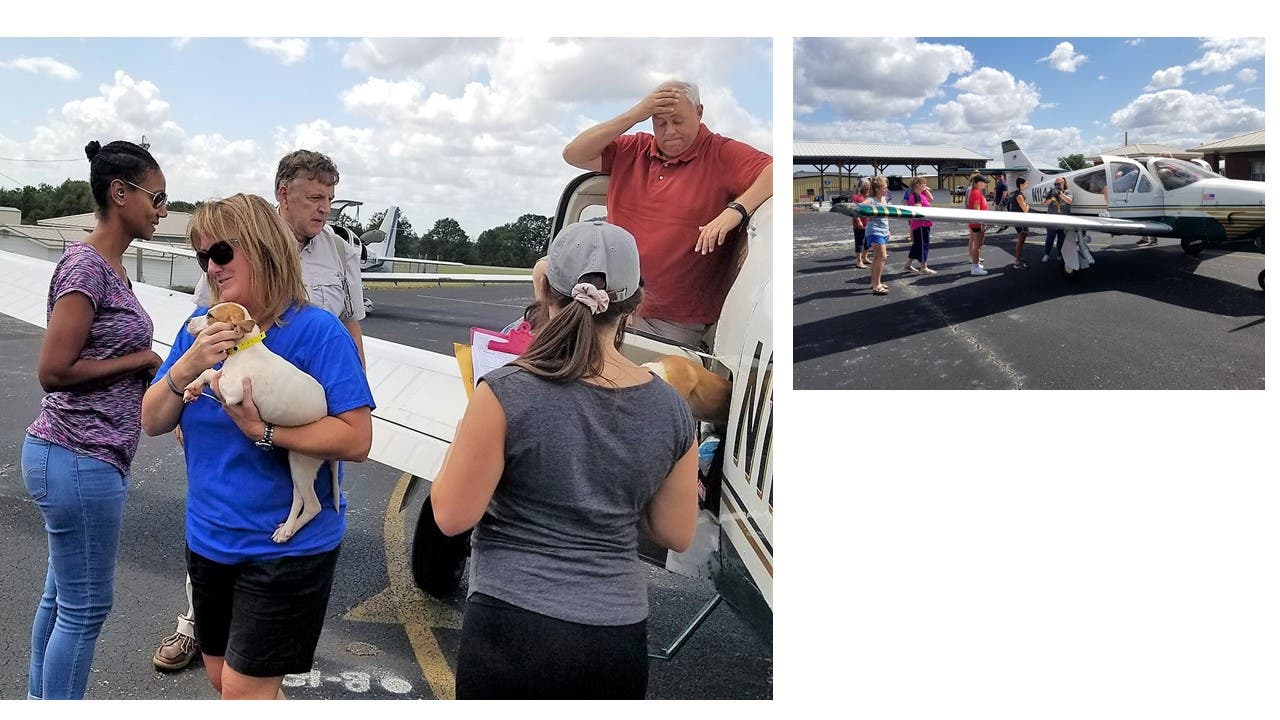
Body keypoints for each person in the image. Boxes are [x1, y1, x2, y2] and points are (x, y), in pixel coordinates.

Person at [430, 220, 697, 699]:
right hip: (615, 637)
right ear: (634, 305)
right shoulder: (672, 409)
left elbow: (451, 516)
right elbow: (675, 532)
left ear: (545, 293)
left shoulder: (507, 390)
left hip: (511, 625)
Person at [140, 194, 374, 700]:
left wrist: (266, 433)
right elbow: (152, 419)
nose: (211, 267)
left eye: (221, 252)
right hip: (209, 538)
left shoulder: (317, 331)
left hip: (285, 551)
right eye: (203, 257)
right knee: (222, 678)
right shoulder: (201, 329)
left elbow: (356, 438)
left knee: (242, 692)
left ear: (263, 247)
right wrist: (187, 365)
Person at [21, 139, 167, 699]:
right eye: (157, 197)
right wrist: (142, 360)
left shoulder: (110, 268)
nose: (162, 210)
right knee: (85, 609)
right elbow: (53, 370)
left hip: (79, 455)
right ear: (120, 193)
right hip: (78, 455)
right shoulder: (86, 267)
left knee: (61, 599)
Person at [562, 80, 772, 349]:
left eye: (678, 121)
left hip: (672, 320)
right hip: (610, 302)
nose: (670, 131)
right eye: (660, 123)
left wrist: (736, 210)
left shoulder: (720, 153)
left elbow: (775, 172)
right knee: (546, 272)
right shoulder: (633, 149)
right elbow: (574, 154)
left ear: (699, 113)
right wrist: (637, 113)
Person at [901, 177, 936, 275]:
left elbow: (931, 199)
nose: (925, 185)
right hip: (921, 224)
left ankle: (908, 264)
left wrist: (925, 190)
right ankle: (923, 267)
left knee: (917, 244)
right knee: (923, 244)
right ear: (917, 185)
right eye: (923, 184)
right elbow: (918, 210)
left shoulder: (921, 194)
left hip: (922, 224)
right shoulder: (916, 196)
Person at [864, 176, 892, 295]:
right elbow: (861, 206)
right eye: (884, 188)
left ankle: (874, 282)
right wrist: (868, 214)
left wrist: (888, 230)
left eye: (886, 187)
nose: (886, 190)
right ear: (876, 189)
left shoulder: (884, 200)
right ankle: (877, 286)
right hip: (874, 231)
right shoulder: (871, 200)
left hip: (883, 230)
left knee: (877, 258)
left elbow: (885, 217)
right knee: (882, 257)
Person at [1043, 177, 1072, 262]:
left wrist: (1060, 194)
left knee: (1061, 239)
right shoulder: (1051, 191)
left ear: (1063, 184)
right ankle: (1047, 254)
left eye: (1058, 184)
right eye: (1055, 184)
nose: (1056, 185)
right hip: (1052, 220)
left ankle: (1059, 254)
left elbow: (1069, 201)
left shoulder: (1068, 192)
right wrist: (1051, 196)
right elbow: (1045, 202)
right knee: (1050, 238)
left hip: (1063, 220)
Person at [967, 173, 990, 276]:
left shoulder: (976, 191)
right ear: (978, 183)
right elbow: (977, 209)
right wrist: (982, 223)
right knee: (977, 245)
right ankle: (975, 267)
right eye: (984, 182)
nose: (985, 184)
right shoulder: (976, 192)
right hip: (978, 224)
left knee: (978, 245)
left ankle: (976, 264)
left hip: (978, 223)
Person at [1007, 177, 1031, 269]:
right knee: (1020, 242)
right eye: (1026, 183)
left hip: (1017, 220)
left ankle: (1018, 259)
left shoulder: (1013, 194)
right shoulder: (1019, 195)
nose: (1027, 185)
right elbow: (1025, 210)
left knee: (1020, 241)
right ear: (1021, 184)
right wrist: (1027, 206)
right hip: (1021, 221)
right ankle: (1017, 262)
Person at [852, 178, 871, 269]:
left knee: (867, 242)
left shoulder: (869, 197)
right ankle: (859, 261)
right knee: (860, 242)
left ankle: (865, 258)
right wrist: (858, 221)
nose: (867, 187)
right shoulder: (856, 197)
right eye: (865, 185)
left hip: (869, 223)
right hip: (859, 224)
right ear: (860, 186)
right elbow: (853, 210)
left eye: (868, 185)